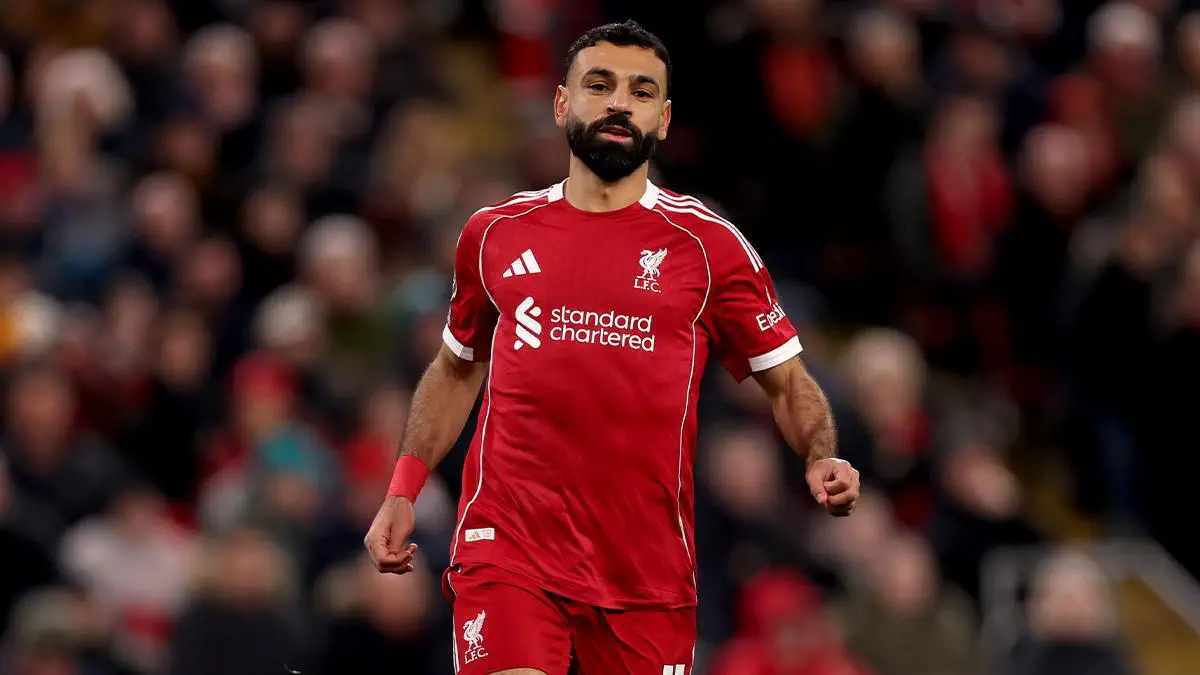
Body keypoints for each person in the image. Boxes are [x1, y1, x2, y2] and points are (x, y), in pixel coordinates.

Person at [362, 20, 861, 675]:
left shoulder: (709, 247)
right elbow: (457, 370)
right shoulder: (494, 233)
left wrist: (820, 454)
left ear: (664, 119)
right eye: (599, 85)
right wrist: (403, 488)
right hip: (509, 544)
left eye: (642, 91)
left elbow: (788, 382)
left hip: (644, 570)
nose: (620, 103)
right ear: (561, 103)